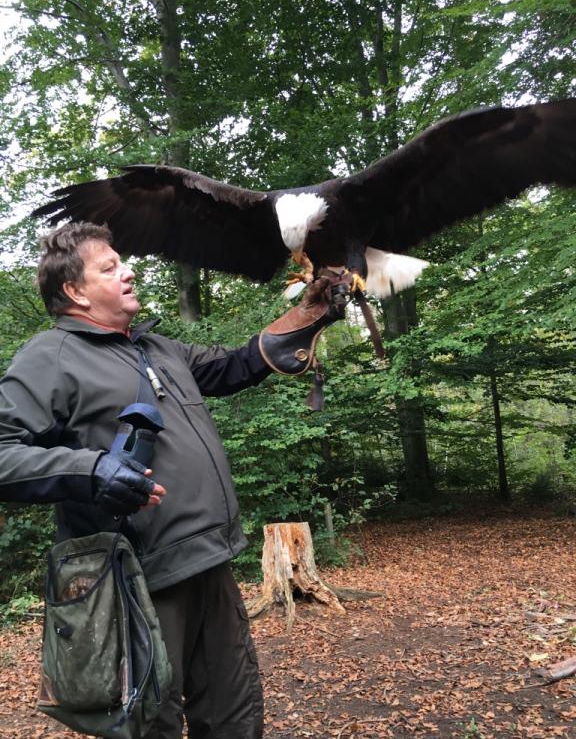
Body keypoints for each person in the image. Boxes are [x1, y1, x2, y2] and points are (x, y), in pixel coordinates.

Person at [0, 220, 347, 739]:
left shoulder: (158, 349)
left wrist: (311, 312)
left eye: (123, 262)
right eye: (110, 267)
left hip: (212, 560)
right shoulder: (50, 357)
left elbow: (239, 365)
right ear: (74, 291)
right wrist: (91, 469)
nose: (128, 271)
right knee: (150, 724)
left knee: (234, 716)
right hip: (136, 580)